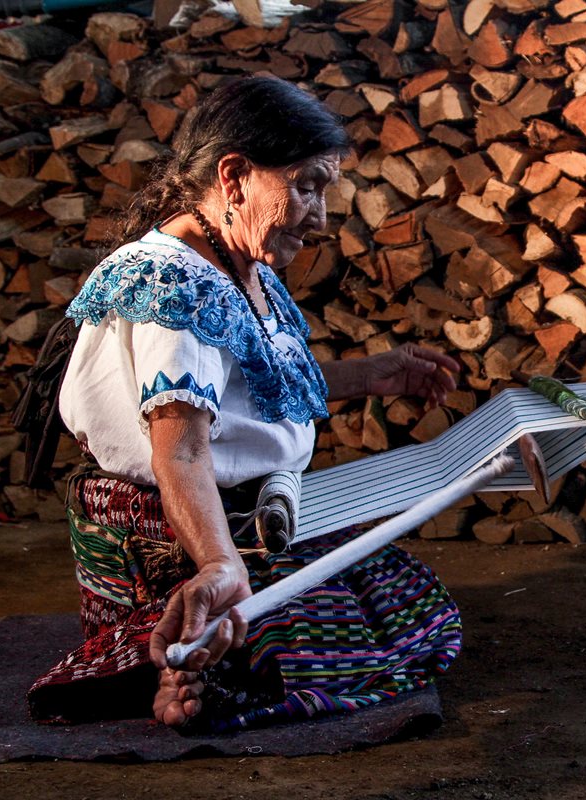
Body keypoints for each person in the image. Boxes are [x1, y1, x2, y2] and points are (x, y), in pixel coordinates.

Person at [27, 76, 463, 731]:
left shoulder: (231, 265)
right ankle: (184, 650)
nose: (319, 215)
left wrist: (379, 373)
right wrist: (218, 563)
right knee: (368, 635)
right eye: (307, 185)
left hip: (236, 515)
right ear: (234, 177)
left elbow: (248, 386)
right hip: (167, 533)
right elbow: (182, 443)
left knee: (402, 594)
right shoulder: (176, 284)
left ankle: (208, 646)